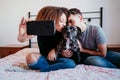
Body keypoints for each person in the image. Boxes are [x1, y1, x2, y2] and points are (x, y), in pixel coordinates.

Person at [17, 6, 76, 72]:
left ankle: (44, 69)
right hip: (45, 58)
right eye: (61, 21)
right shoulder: (41, 29)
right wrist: (22, 33)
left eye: (65, 22)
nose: (64, 24)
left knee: (70, 63)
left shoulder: (65, 31)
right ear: (51, 19)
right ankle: (52, 67)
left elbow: (69, 43)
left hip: (60, 59)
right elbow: (21, 39)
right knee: (30, 57)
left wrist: (55, 50)